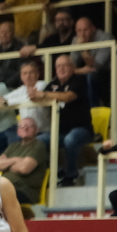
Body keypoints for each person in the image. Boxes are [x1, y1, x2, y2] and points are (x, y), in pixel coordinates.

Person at [40, 53, 94, 187]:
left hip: (82, 129)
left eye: (65, 65)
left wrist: (44, 94)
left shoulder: (79, 80)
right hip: (59, 131)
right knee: (39, 141)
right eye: (58, 66)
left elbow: (68, 97)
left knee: (70, 140)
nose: (61, 68)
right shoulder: (52, 84)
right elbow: (40, 99)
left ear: (72, 67)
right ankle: (52, 173)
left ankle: (71, 176)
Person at [0, 115, 50, 207]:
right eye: (22, 126)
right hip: (5, 187)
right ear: (18, 131)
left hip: (25, 191)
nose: (25, 128)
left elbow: (24, 168)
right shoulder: (12, 147)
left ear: (36, 130)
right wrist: (15, 160)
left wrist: (8, 164)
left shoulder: (38, 145)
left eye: (29, 126)